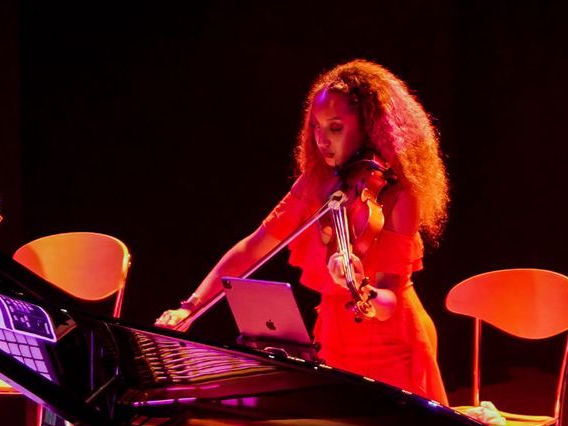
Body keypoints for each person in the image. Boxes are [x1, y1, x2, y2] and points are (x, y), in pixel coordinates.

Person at [157, 60, 451, 404]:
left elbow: (388, 300)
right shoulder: (315, 185)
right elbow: (252, 249)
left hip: (394, 349)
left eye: (336, 128)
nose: (322, 140)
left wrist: (361, 289)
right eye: (316, 127)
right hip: (335, 339)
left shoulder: (399, 196)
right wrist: (191, 308)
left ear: (370, 129)